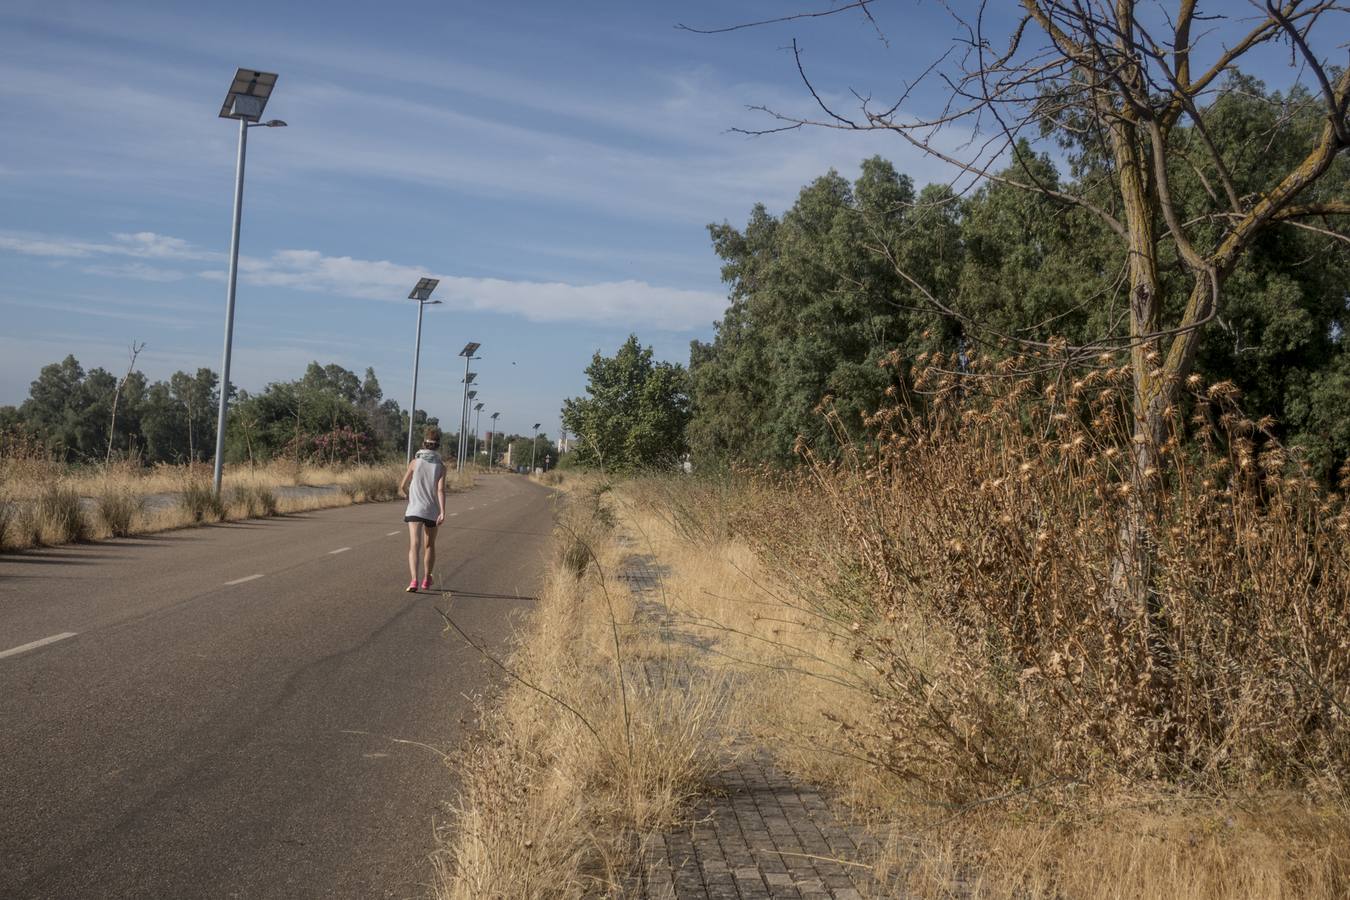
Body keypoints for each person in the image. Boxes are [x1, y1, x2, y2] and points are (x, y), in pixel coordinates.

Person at [398, 426, 446, 592]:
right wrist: (442, 512)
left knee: (414, 544)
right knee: (429, 545)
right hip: (431, 510)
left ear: (423, 443)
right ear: (437, 446)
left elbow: (402, 486)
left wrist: (408, 495)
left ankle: (414, 581)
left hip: (414, 509)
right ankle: (427, 578)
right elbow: (440, 490)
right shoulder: (441, 466)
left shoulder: (414, 462)